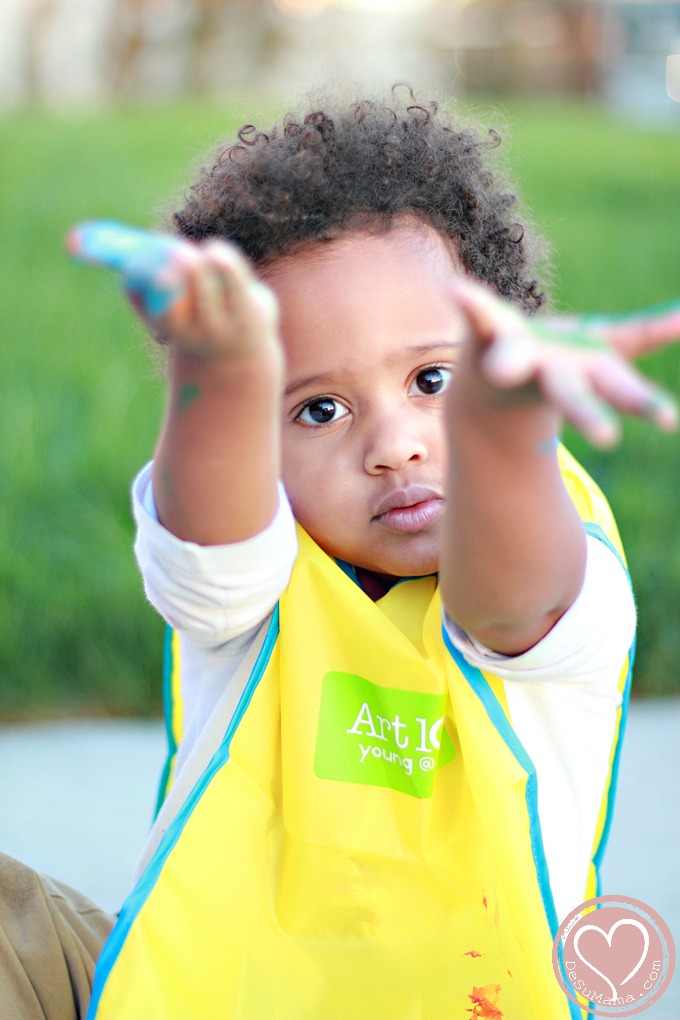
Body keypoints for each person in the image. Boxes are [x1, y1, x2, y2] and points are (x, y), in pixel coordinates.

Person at [2, 87, 679, 1020]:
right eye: (318, 408)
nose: (395, 444)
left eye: (433, 381)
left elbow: (511, 604)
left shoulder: (555, 556)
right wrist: (218, 369)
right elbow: (211, 530)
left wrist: (507, 432)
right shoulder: (256, 573)